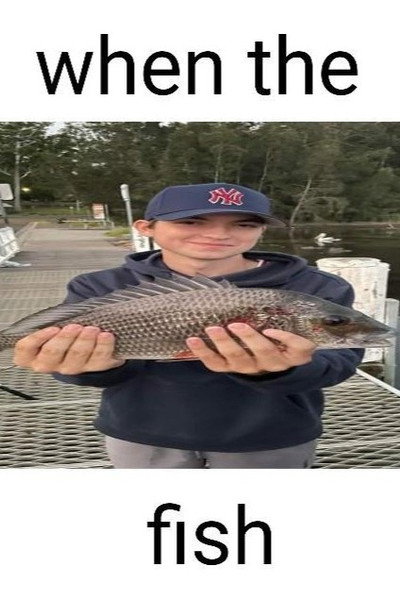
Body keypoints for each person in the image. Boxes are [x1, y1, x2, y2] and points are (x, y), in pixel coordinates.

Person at [13, 183, 364, 468]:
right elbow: (76, 368)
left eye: (244, 224)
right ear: (145, 228)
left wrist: (280, 370)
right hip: (142, 434)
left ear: (261, 230)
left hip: (270, 437)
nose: (219, 234)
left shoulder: (316, 287)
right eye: (192, 222)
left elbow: (339, 363)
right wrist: (86, 366)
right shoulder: (98, 286)